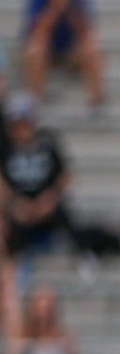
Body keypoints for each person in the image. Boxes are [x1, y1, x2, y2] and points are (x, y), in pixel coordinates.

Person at [19, 0, 105, 112]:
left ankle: (96, 101)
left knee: (92, 48)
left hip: (70, 53)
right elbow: (38, 32)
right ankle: (35, 101)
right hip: (47, 53)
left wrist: (69, 8)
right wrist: (56, 7)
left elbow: (85, 32)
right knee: (35, 49)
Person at [1, 96, 71, 261]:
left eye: (25, 124)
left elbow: (65, 176)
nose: (21, 130)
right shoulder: (5, 148)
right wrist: (14, 204)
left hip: (47, 204)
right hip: (18, 206)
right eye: (17, 126)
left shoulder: (47, 143)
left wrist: (49, 200)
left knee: (66, 219)